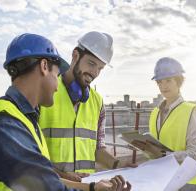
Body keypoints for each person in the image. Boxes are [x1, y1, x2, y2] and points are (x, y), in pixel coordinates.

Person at [0, 33, 131, 191]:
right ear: (44, 66)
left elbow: (40, 174)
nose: (57, 86)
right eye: (56, 73)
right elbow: (44, 184)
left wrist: (93, 185)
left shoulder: (23, 118)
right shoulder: (4, 123)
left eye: (100, 68)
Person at [39, 31, 136, 182]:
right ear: (75, 55)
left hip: (88, 186)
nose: (95, 73)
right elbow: (28, 151)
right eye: (91, 64)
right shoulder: (44, 92)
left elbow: (98, 149)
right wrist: (61, 175)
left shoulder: (97, 101)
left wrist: (118, 164)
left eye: (100, 68)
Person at [132, 57, 196, 191]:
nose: (163, 86)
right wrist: (145, 148)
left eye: (168, 80)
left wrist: (164, 155)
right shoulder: (155, 113)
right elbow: (155, 152)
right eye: (159, 82)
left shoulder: (191, 111)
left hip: (185, 181)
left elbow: (195, 155)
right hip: (160, 179)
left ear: (179, 82)